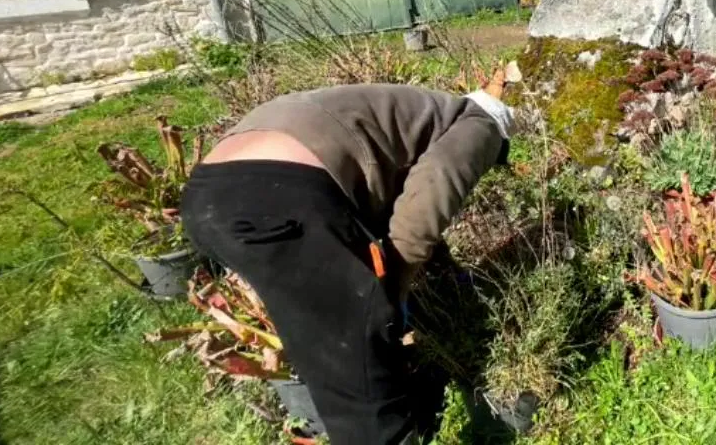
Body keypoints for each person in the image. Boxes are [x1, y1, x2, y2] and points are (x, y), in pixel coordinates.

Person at [180, 82, 514, 445]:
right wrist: (394, 289)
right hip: (277, 197)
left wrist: (437, 275)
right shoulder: (479, 122)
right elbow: (429, 199)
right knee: (358, 369)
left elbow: (395, 199)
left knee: (331, 330)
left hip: (207, 196)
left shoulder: (416, 112)